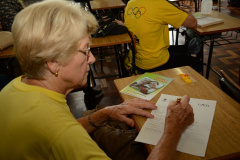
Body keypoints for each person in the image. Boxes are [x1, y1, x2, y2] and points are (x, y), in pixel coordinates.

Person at [0, 0, 194, 159]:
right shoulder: (63, 134)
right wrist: (174, 129)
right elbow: (61, 132)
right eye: (85, 51)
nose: (92, 59)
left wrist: (105, 114)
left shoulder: (13, 87)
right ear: (53, 62)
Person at [124, 0, 201, 74]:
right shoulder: (158, 3)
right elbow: (193, 22)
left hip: (137, 59)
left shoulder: (131, 3)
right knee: (195, 63)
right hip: (155, 63)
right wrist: (172, 7)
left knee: (184, 49)